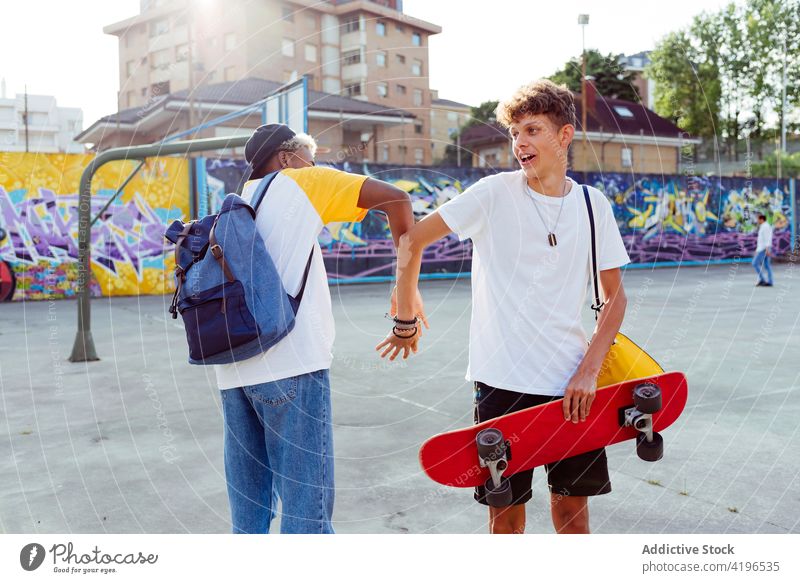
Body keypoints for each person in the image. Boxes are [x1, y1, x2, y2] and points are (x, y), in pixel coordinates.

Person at [377, 80, 630, 534]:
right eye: (514, 133)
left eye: (532, 130)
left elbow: (616, 297)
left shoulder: (594, 206)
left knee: (572, 516)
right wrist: (405, 313)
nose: (519, 143)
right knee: (506, 520)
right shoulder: (493, 194)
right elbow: (412, 239)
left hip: (572, 387)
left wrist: (589, 370)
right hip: (503, 385)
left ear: (564, 136)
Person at [217, 124, 415, 533]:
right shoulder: (302, 181)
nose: (316, 166)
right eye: (311, 159)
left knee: (248, 511)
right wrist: (403, 288)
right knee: (307, 508)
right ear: (288, 158)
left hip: (232, 371)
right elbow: (398, 199)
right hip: (292, 365)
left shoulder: (232, 202)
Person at [753, 213, 774, 287]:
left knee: (755, 263)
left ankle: (763, 280)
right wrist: (757, 249)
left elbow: (767, 238)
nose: (757, 220)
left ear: (761, 219)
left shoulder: (765, 227)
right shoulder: (763, 226)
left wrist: (767, 249)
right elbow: (761, 240)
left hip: (764, 249)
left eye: (758, 219)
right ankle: (769, 281)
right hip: (762, 248)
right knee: (767, 265)